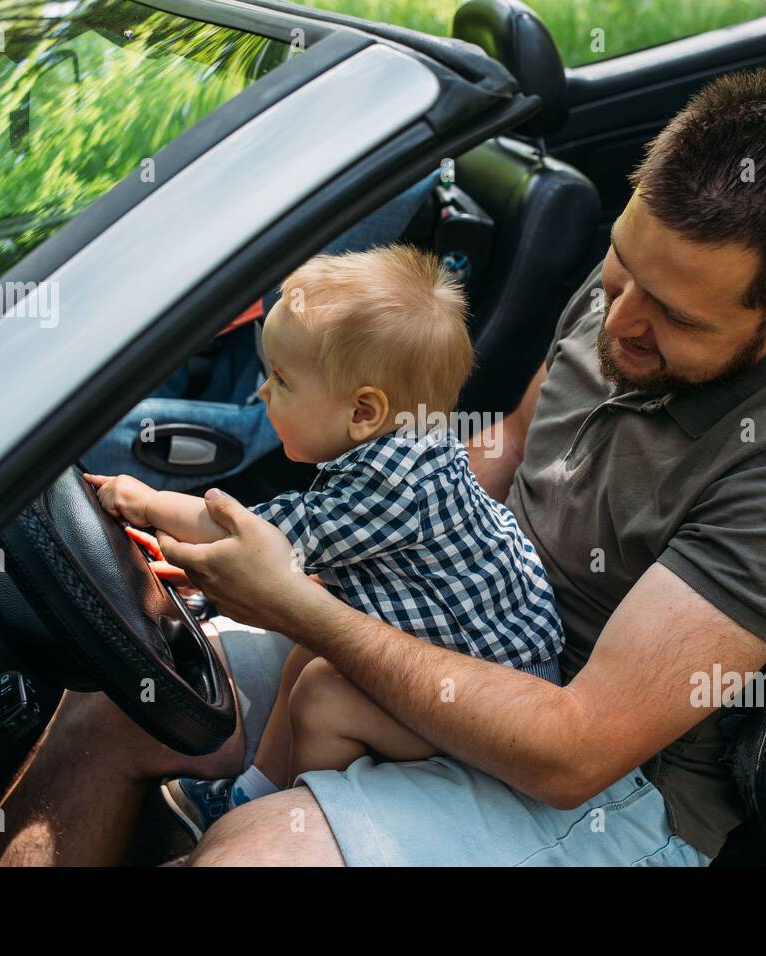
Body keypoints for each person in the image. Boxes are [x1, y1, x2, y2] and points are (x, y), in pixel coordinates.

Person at [0, 66, 766, 867]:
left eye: (679, 319)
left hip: (615, 796)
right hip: (464, 638)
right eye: (621, 271)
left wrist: (303, 605)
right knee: (127, 693)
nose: (621, 324)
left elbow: (575, 749)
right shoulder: (637, 296)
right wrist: (354, 536)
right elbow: (495, 456)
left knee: (253, 856)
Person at [84, 244, 563, 840]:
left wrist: (143, 499)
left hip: (490, 711)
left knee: (323, 698)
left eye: (281, 380)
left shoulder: (386, 489)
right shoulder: (407, 444)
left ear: (364, 411)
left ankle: (292, 824)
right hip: (483, 660)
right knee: (311, 644)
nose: (263, 394)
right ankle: (251, 791)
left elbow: (251, 538)